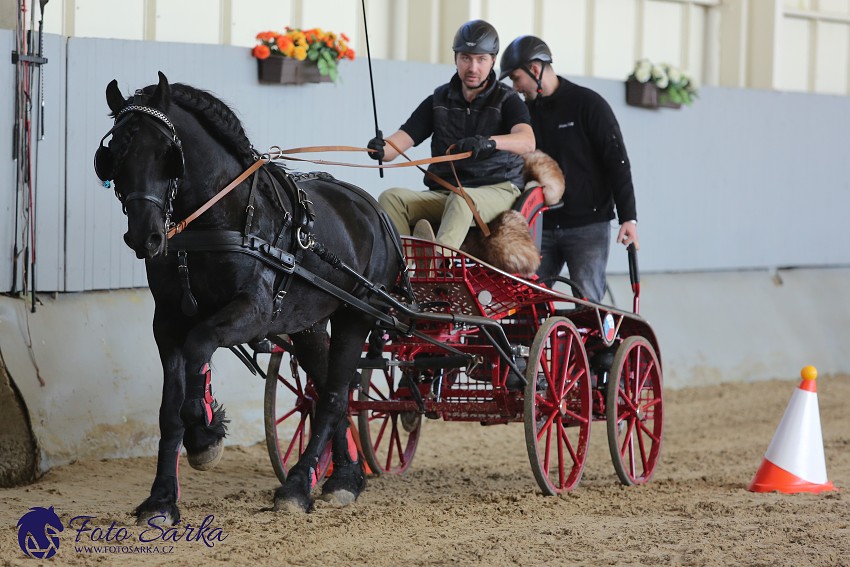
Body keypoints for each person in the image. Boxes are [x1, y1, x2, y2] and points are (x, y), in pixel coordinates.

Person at [367, 19, 535, 249]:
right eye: (466, 58)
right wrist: (380, 148)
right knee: (391, 197)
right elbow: (397, 144)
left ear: (493, 60)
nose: (473, 67)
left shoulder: (508, 100)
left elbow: (528, 141)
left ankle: (436, 267)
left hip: (497, 189)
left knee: (461, 199)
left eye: (481, 59)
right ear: (455, 58)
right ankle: (407, 267)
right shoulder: (438, 100)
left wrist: (489, 143)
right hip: (447, 191)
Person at [499, 35, 639, 303]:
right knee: (528, 302)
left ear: (535, 69)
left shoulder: (588, 105)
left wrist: (628, 219)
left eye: (516, 78)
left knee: (588, 303)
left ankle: (596, 346)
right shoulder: (522, 116)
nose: (515, 87)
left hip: (588, 225)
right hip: (541, 225)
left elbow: (617, 161)